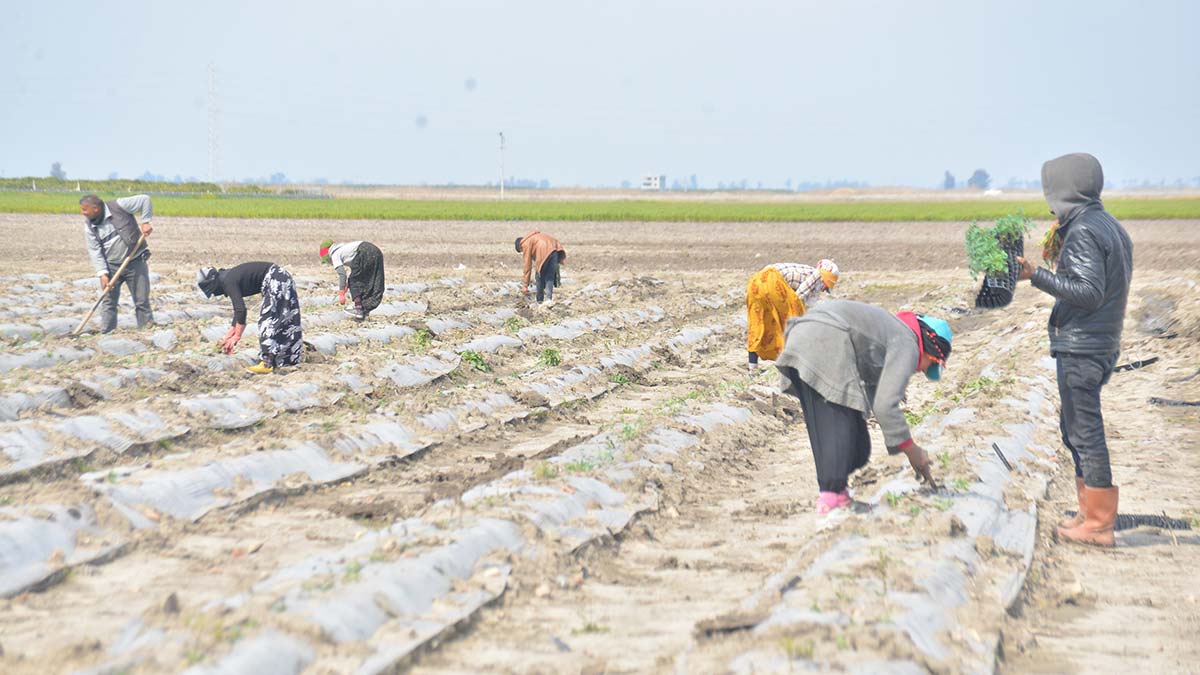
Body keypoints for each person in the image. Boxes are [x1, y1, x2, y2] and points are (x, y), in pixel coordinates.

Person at [1016, 153, 1132, 548]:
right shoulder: (1108, 224)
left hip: (1083, 345)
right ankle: (1088, 512)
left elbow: (1088, 292)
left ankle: (1098, 524)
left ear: (1065, 189)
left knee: (1085, 432)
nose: (1048, 200)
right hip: (1101, 342)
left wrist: (1036, 275)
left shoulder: (1083, 230)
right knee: (1075, 429)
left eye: (1051, 190)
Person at [774, 300, 951, 514]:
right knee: (839, 430)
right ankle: (831, 504)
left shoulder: (889, 329)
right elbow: (885, 405)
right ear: (930, 349)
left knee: (854, 441)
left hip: (801, 338)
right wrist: (913, 451)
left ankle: (838, 495)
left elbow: (876, 397)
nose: (922, 371)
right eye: (930, 366)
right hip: (827, 341)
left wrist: (905, 445)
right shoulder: (908, 343)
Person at [196, 262, 303, 374]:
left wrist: (236, 337)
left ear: (213, 283)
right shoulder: (228, 277)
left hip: (275, 279)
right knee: (285, 319)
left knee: (268, 320)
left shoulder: (228, 281)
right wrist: (228, 337)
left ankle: (267, 364)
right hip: (281, 277)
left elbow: (241, 310)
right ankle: (287, 360)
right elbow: (238, 313)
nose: (214, 293)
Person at [747, 260, 840, 373]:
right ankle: (789, 366)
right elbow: (798, 301)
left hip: (756, 282)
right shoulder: (817, 276)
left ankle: (753, 370)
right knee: (790, 325)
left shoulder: (805, 272)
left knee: (758, 325)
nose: (823, 290)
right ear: (826, 280)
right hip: (773, 281)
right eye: (826, 287)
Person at [80, 194, 155, 332]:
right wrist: (103, 274)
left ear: (95, 209)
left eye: (85, 209)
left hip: (135, 261)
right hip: (111, 266)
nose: (82, 213)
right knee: (108, 302)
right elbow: (95, 251)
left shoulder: (119, 205)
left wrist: (146, 221)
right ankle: (107, 332)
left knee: (141, 300)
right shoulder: (89, 226)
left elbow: (145, 199)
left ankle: (146, 331)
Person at [319, 239, 386, 320]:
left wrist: (341, 293)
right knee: (370, 281)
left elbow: (342, 275)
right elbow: (357, 271)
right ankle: (365, 309)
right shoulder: (344, 249)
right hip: (376, 251)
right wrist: (347, 285)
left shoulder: (335, 255)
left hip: (363, 252)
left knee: (354, 281)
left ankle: (358, 309)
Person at [515, 231, 566, 303]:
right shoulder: (533, 237)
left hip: (544, 251)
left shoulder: (525, 244)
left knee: (539, 276)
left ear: (520, 246)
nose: (523, 252)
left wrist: (525, 286)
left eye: (522, 251)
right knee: (549, 277)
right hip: (555, 249)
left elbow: (527, 265)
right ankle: (549, 299)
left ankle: (539, 300)